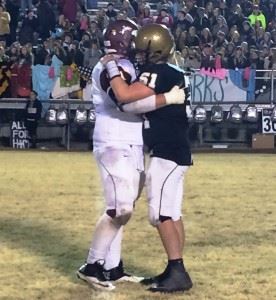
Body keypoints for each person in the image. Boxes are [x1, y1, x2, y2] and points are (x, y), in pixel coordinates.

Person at [76, 20, 186, 291]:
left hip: (132, 144)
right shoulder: (110, 67)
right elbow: (126, 102)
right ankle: (92, 265)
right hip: (114, 143)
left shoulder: (126, 65)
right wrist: (166, 99)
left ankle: (113, 268)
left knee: (126, 206)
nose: (138, 48)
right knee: (120, 207)